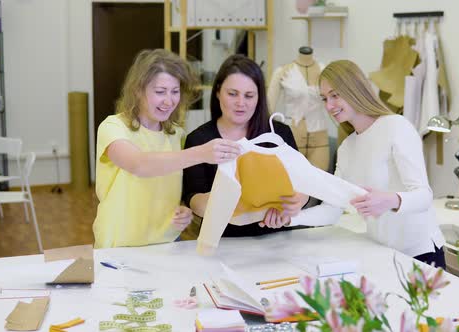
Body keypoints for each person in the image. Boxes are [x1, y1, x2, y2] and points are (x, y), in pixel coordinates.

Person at [289, 60, 446, 268]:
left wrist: (390, 200)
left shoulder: (396, 126)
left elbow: (424, 196)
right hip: (383, 254)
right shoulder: (346, 148)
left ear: (354, 89)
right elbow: (332, 210)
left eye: (335, 95)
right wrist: (291, 219)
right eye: (325, 98)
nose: (329, 106)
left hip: (420, 254)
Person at [94, 49, 241, 249]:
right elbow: (139, 165)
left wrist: (183, 210)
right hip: (120, 247)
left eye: (175, 91)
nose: (169, 101)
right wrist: (201, 153)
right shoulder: (113, 127)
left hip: (168, 243)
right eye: (160, 92)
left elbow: (171, 189)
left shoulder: (176, 136)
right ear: (138, 90)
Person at [182, 54, 309, 237]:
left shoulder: (278, 134)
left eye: (249, 95)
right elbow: (193, 198)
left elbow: (304, 183)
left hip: (276, 239)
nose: (241, 103)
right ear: (218, 92)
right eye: (232, 94)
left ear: (259, 97)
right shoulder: (199, 139)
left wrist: (295, 204)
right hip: (222, 241)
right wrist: (227, 202)